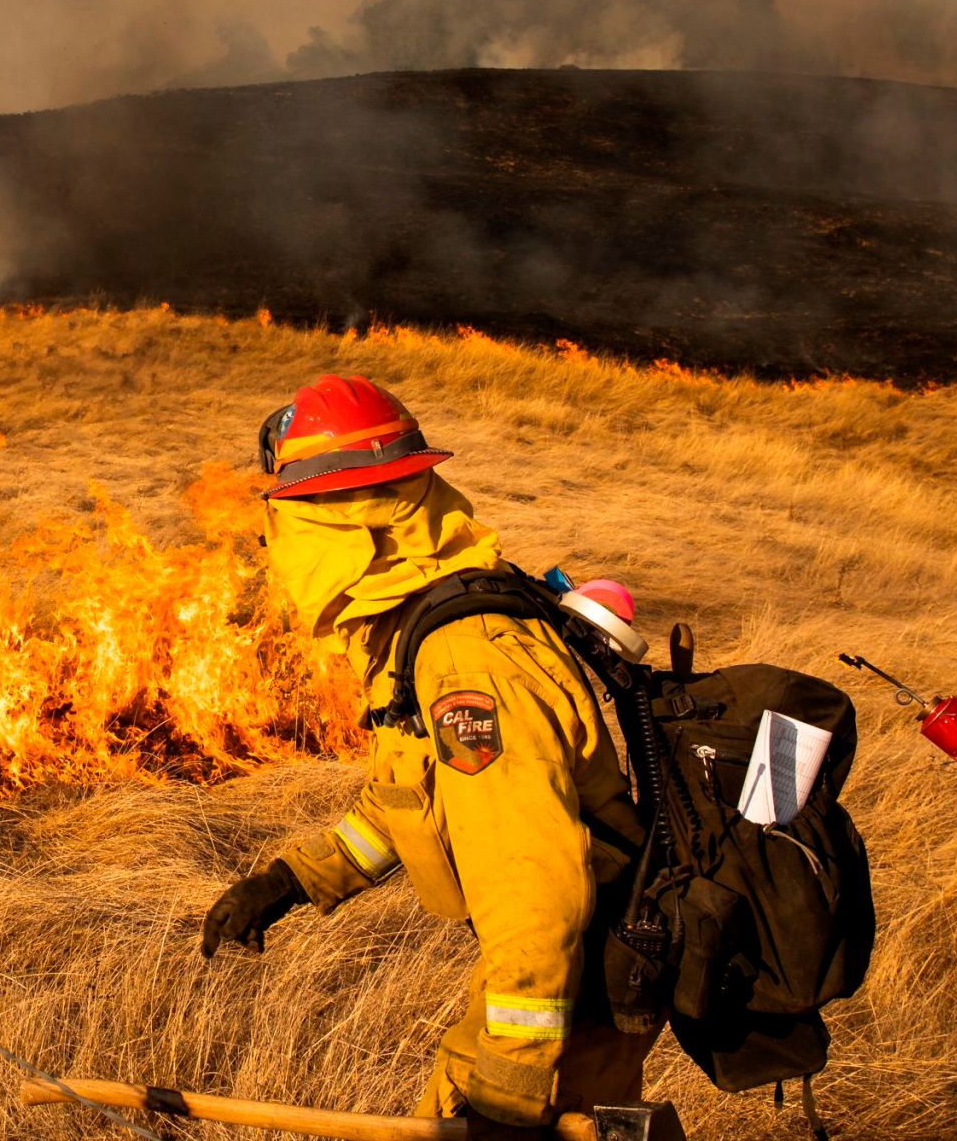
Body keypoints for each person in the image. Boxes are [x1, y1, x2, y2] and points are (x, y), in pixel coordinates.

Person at [200, 374, 656, 1132]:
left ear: (336, 526)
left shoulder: (462, 660)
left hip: (572, 995)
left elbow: (533, 890)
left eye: (284, 519)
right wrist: (289, 883)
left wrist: (511, 1095)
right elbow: (410, 799)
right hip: (559, 980)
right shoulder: (432, 611)